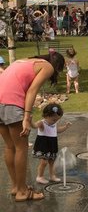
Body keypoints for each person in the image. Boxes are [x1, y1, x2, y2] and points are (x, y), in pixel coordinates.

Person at [0, 50, 65, 202]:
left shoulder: (24, 60)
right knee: (21, 147)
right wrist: (26, 116)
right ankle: (23, 192)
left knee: (10, 147)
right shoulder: (47, 66)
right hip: (12, 103)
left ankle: (16, 186)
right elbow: (31, 91)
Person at [32, 102, 71, 184]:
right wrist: (30, 120)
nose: (55, 121)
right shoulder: (42, 123)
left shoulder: (54, 124)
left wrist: (66, 127)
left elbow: (58, 130)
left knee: (52, 162)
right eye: (53, 119)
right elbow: (34, 126)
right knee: (44, 162)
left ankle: (52, 176)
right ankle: (40, 176)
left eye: (57, 120)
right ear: (46, 116)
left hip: (52, 144)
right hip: (43, 144)